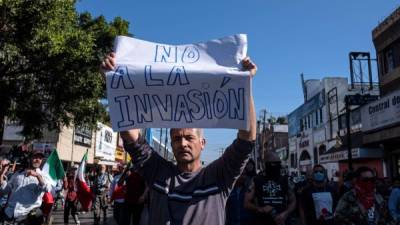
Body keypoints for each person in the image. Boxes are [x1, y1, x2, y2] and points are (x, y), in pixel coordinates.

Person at [101, 52, 257, 225]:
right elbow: (131, 137)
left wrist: (245, 83)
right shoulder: (158, 171)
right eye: (176, 138)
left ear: (202, 143)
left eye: (189, 137)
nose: (182, 143)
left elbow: (246, 140)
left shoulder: (219, 176)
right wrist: (114, 83)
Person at [244, 151, 296, 225]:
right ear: (266, 164)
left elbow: (293, 201)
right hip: (262, 221)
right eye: (273, 163)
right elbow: (246, 203)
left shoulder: (285, 180)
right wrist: (260, 209)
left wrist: (285, 214)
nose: (276, 166)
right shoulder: (256, 180)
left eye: (278, 163)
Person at [0, 150, 51, 224]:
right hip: (9, 214)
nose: (37, 160)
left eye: (40, 158)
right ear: (30, 158)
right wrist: (2, 174)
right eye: (35, 157)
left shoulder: (43, 175)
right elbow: (4, 190)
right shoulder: (18, 173)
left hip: (26, 217)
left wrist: (37, 176)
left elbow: (47, 189)